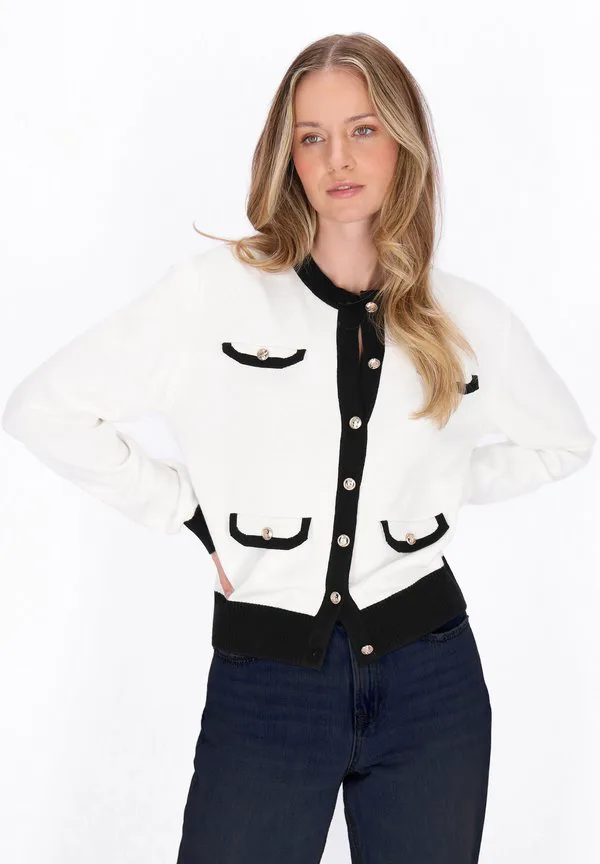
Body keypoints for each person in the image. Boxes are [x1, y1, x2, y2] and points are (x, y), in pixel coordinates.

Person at [2, 32, 595, 864]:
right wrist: (187, 512)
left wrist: (432, 483)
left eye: (363, 130)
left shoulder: (465, 318)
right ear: (288, 156)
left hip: (433, 686)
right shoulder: (215, 294)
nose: (336, 158)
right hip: (267, 688)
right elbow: (44, 408)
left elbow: (563, 443)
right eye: (311, 137)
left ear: (403, 141)